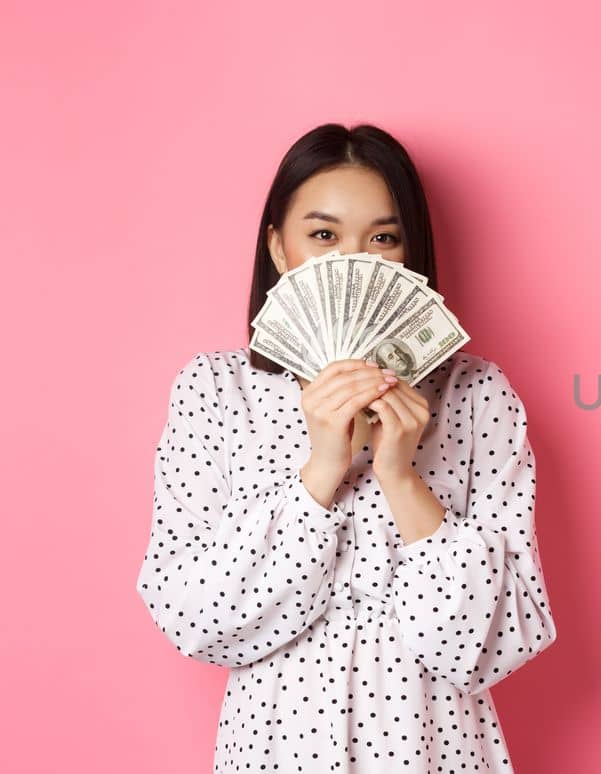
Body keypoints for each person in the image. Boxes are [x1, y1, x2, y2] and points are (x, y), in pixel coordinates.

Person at [134, 123, 558, 773]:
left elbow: (495, 644)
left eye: (383, 238)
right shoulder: (215, 392)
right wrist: (322, 469)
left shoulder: (477, 396)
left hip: (436, 751)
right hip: (276, 752)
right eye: (324, 235)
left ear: (410, 255)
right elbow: (195, 616)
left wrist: (401, 475)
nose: (353, 262)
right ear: (279, 246)